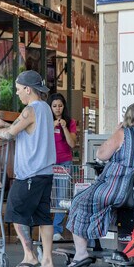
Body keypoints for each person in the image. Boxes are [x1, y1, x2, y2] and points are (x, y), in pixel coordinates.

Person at [65, 102, 134, 267]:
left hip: (121, 189)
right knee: (99, 202)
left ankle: (81, 253)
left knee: (80, 200)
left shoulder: (124, 133)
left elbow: (101, 154)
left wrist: (115, 132)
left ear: (127, 118)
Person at [0, 70, 57, 267]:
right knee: (43, 217)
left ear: (27, 89)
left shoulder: (29, 110)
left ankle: (30, 256)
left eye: (18, 89)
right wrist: (5, 124)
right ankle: (48, 261)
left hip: (30, 173)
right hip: (45, 172)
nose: (17, 93)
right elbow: (27, 131)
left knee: (15, 211)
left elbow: (9, 135)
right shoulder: (45, 109)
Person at [48, 93, 77, 241]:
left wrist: (64, 127)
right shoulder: (45, 121)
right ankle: (46, 229)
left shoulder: (70, 122)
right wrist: (49, 127)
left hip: (65, 163)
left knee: (62, 197)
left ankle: (56, 230)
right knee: (47, 195)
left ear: (64, 106)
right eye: (54, 106)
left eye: (60, 106)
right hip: (48, 162)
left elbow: (72, 144)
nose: (57, 109)